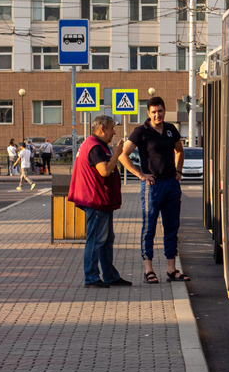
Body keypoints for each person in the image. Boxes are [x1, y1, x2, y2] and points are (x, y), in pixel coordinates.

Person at [120, 97, 189, 284]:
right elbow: (123, 155)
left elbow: (179, 151)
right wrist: (140, 174)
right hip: (152, 185)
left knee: (171, 227)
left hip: (171, 184)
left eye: (160, 111)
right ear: (148, 113)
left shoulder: (170, 130)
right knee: (149, 227)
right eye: (154, 112)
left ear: (164, 111)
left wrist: (179, 170)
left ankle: (171, 270)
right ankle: (149, 270)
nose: (157, 115)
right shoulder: (141, 132)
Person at [68, 115, 129, 289]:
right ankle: (92, 277)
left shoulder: (93, 144)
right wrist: (116, 154)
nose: (114, 132)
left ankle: (109, 275)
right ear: (102, 129)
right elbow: (104, 171)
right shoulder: (94, 146)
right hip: (95, 200)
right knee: (96, 239)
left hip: (99, 199)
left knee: (106, 239)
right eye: (111, 128)